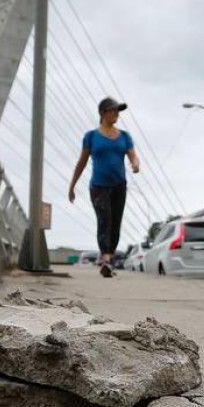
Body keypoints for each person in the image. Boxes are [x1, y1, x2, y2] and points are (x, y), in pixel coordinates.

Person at [68, 96, 141, 277]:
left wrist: (135, 163)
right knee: (104, 219)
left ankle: (109, 257)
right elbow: (82, 162)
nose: (116, 114)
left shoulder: (124, 136)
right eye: (113, 110)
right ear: (102, 113)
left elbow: (133, 155)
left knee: (116, 222)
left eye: (118, 111)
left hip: (119, 185)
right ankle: (106, 259)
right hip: (99, 186)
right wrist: (72, 186)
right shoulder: (91, 137)